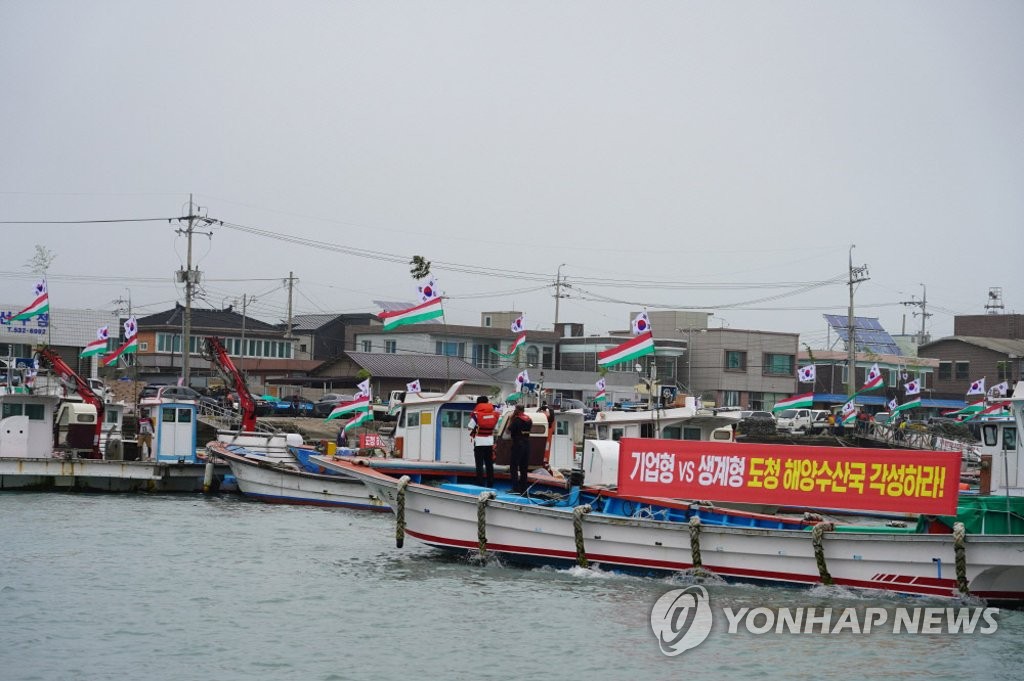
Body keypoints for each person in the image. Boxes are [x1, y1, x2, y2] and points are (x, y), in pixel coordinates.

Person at [468, 395, 498, 488]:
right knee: (489, 464)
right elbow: (496, 428)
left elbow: (470, 427)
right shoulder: (494, 414)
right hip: (489, 442)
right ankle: (490, 483)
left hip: (479, 442)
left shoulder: (477, 414)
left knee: (479, 464)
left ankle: (480, 483)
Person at [509, 404, 532, 493]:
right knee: (524, 468)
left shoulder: (516, 420)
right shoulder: (529, 420)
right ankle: (524, 489)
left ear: (517, 410)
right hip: (527, 444)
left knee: (514, 467)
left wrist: (512, 418)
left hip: (518, 444)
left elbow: (509, 429)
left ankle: (515, 488)